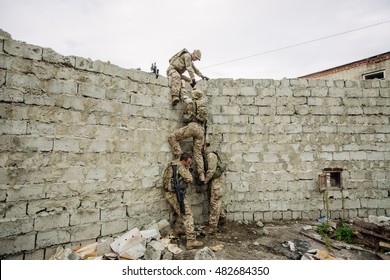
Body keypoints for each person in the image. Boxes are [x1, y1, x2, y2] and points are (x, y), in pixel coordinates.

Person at [162, 152, 203, 249]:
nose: (189, 164)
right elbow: (189, 178)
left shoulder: (173, 163)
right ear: (183, 160)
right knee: (187, 214)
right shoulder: (180, 166)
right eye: (188, 162)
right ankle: (191, 240)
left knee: (181, 212)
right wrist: (187, 169)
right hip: (175, 194)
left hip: (170, 193)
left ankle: (177, 231)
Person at [168, 89, 207, 184]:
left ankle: (179, 157)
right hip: (201, 130)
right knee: (198, 153)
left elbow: (183, 97)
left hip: (192, 126)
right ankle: (201, 174)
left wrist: (183, 90)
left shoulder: (191, 102)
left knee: (172, 137)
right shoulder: (203, 106)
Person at [201, 144, 227, 235]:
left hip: (216, 184)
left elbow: (211, 171)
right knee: (216, 203)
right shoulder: (207, 156)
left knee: (214, 204)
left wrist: (205, 180)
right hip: (215, 183)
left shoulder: (211, 156)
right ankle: (222, 218)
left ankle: (213, 227)